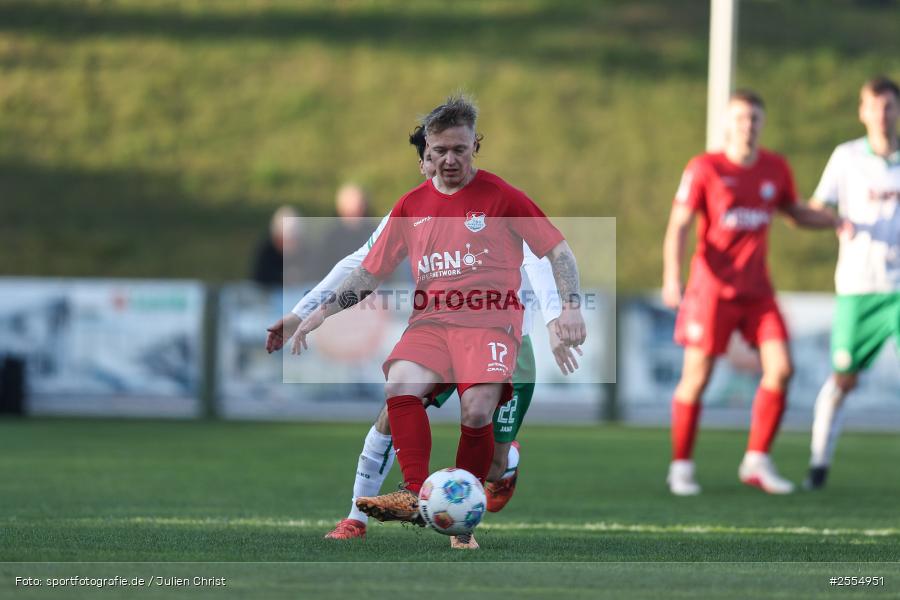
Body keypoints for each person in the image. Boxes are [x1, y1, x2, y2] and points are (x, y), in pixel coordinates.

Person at [291, 95, 585, 545]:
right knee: (398, 389)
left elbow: (556, 251)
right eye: (440, 151)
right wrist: (319, 312)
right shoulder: (411, 206)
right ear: (426, 151)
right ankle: (410, 495)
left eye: (459, 150)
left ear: (475, 146)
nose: (449, 160)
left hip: (490, 325)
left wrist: (569, 308)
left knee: (477, 410)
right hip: (431, 326)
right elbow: (369, 270)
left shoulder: (502, 197)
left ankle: (466, 514)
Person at [662, 90, 839, 496]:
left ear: (763, 123)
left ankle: (756, 460)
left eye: (754, 119)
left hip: (758, 291)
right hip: (712, 291)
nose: (748, 126)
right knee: (697, 378)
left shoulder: (775, 168)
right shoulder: (704, 168)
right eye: (741, 119)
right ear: (728, 124)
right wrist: (672, 276)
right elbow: (679, 224)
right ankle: (681, 467)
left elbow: (795, 212)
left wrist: (837, 220)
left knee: (782, 368)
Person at [805, 76, 900, 490]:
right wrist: (832, 219)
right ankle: (818, 465)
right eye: (874, 106)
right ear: (862, 112)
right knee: (843, 377)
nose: (882, 114)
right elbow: (815, 207)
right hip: (859, 287)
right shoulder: (846, 158)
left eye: (889, 106)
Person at [251, 206, 307, 287]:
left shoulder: (305, 251)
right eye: (286, 240)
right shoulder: (265, 252)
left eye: (294, 240)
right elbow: (259, 279)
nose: (290, 246)